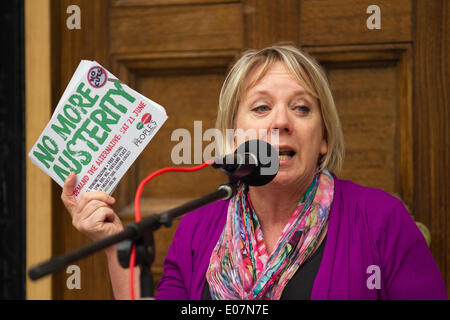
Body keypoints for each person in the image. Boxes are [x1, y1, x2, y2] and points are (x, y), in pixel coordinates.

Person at [62, 44, 447, 300]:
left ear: (324, 137)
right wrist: (115, 243)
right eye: (261, 108)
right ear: (232, 136)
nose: (280, 121)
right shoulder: (196, 226)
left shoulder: (382, 219)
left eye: (300, 108)